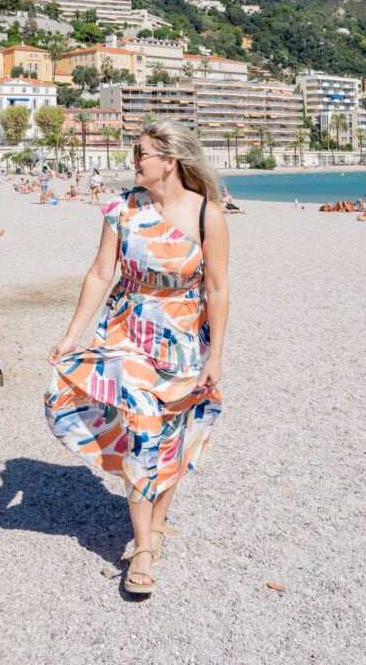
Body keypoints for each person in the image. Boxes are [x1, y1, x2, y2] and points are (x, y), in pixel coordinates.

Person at [45, 119, 229, 595]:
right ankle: (143, 546)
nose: (133, 160)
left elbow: (218, 288)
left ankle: (158, 522)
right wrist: (71, 336)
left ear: (169, 160)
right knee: (145, 431)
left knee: (173, 435)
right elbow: (99, 273)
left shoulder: (208, 215)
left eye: (140, 153)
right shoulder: (121, 209)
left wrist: (217, 357)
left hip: (186, 340)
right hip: (127, 334)